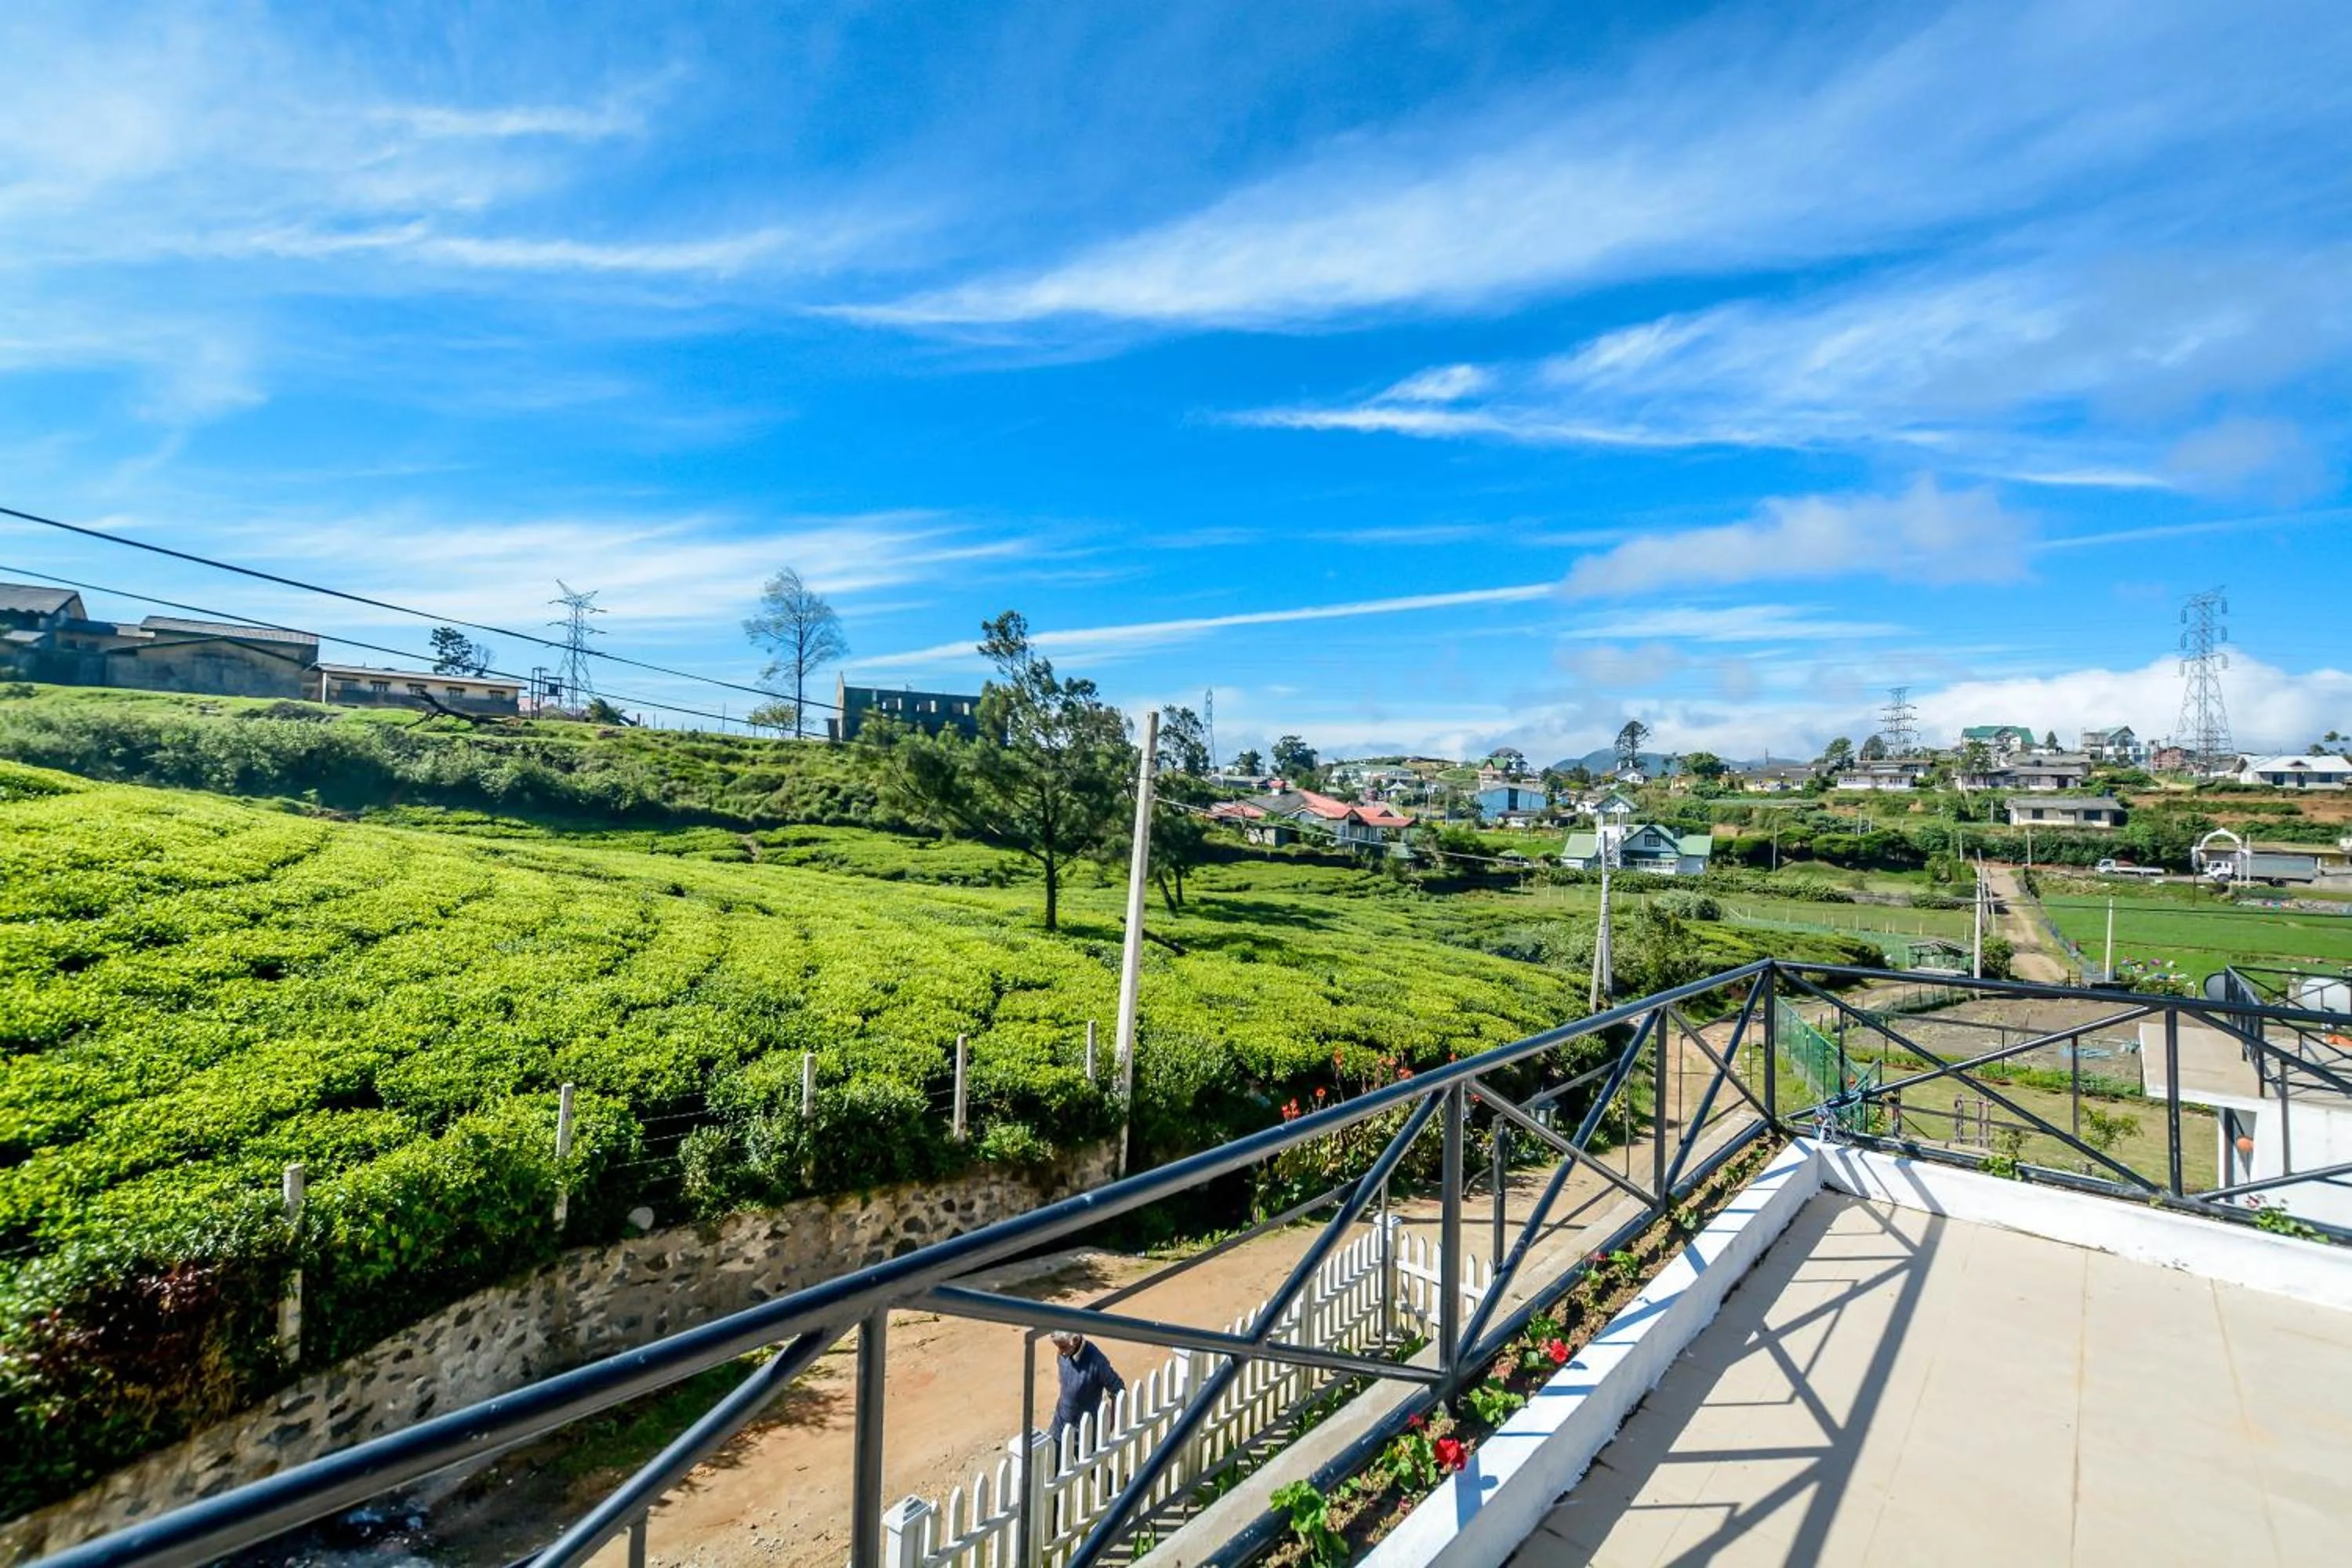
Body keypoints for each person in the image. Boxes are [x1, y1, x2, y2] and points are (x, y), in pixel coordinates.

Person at [1047, 1331, 1125, 1447]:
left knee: (1092, 1465)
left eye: (1063, 1347)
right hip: (1060, 1427)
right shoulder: (1062, 1354)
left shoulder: (1097, 1362)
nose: (1060, 1352)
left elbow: (1118, 1390)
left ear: (1075, 1341)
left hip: (1085, 1433)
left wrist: (1112, 1422)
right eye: (1057, 1347)